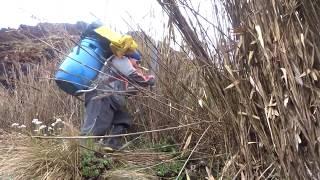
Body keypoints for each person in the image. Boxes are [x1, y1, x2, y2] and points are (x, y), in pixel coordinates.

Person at [80, 24, 155, 151]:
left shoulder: (121, 68)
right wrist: (148, 80)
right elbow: (134, 76)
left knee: (123, 119)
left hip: (111, 100)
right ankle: (82, 153)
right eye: (138, 62)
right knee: (94, 128)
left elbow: (125, 89)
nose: (138, 65)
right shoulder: (120, 60)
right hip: (101, 96)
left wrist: (139, 87)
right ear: (131, 58)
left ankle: (111, 144)